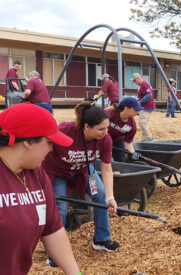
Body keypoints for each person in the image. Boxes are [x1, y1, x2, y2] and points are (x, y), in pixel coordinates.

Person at [0, 103, 80, 275]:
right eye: (49, 142)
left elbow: (53, 229)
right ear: (29, 141)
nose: (52, 149)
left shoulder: (36, 174)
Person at [42, 102, 120, 262]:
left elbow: (106, 168)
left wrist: (110, 197)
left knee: (101, 196)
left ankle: (101, 239)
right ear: (86, 127)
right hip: (58, 172)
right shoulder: (65, 131)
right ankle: (55, 253)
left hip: (82, 169)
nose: (105, 133)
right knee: (61, 208)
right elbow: (43, 144)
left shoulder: (105, 140)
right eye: (101, 129)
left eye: (107, 128)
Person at [106, 97, 142, 162]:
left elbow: (128, 142)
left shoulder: (132, 126)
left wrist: (133, 153)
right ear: (126, 108)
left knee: (121, 160)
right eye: (135, 109)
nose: (137, 112)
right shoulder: (109, 113)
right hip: (102, 137)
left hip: (117, 139)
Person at [131, 73, 156, 142]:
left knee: (142, 122)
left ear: (138, 79)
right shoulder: (142, 84)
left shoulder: (144, 84)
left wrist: (140, 102)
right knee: (144, 122)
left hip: (146, 107)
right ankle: (145, 138)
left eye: (134, 80)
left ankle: (149, 137)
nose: (134, 82)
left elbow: (149, 95)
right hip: (145, 106)